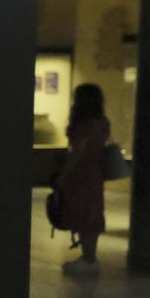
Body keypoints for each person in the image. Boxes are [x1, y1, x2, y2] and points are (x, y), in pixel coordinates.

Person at [53, 82, 111, 276]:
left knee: (83, 214)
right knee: (91, 213)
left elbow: (77, 153)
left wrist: (63, 175)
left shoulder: (84, 125)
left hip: (81, 174)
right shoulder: (102, 123)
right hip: (94, 173)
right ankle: (88, 257)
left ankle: (89, 259)